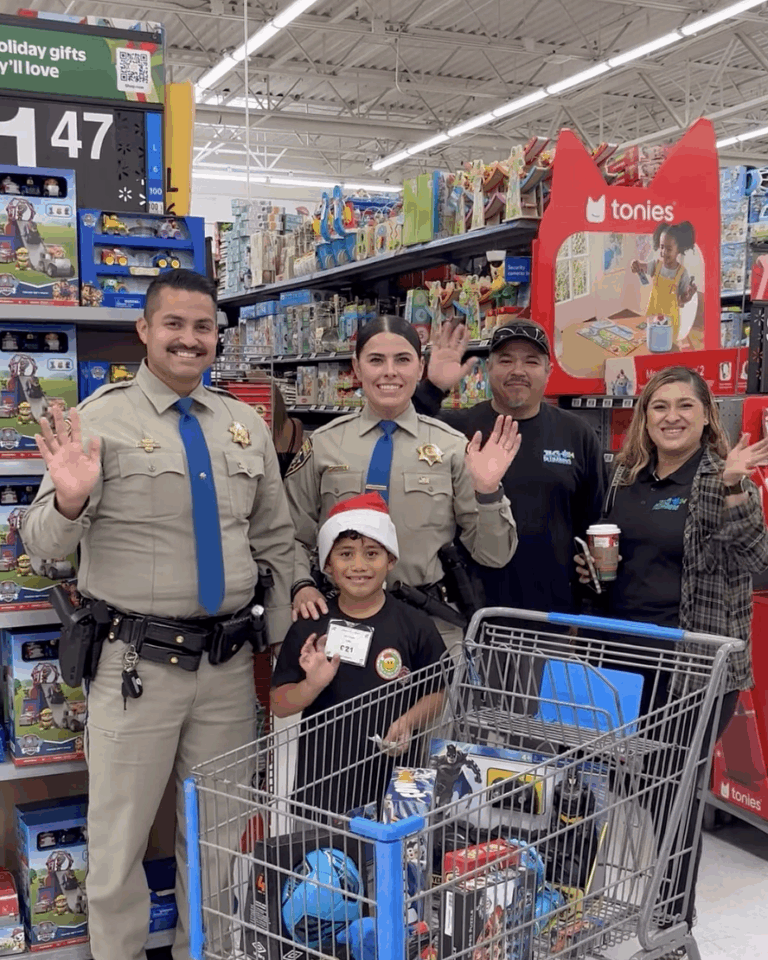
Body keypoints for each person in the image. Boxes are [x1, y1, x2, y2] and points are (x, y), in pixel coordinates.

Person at [21, 270, 295, 960]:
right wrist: (71, 500)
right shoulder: (97, 420)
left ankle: (207, 951)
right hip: (134, 669)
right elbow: (41, 547)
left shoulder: (244, 425)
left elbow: (274, 540)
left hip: (228, 668)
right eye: (174, 323)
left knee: (221, 838)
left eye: (204, 327)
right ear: (144, 329)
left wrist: (283, 646)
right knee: (117, 842)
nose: (189, 339)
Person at [576, 365, 768, 948]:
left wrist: (734, 487)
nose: (672, 417)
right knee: (645, 784)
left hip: (697, 665)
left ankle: (672, 917)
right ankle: (657, 901)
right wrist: (592, 573)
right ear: (644, 417)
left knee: (675, 787)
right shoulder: (625, 478)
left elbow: (757, 556)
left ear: (707, 415)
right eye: (659, 406)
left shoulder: (720, 477)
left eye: (686, 405)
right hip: (629, 657)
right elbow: (620, 561)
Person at [284, 316, 521, 655]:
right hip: (342, 625)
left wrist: (488, 491)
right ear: (356, 368)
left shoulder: (453, 448)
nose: (390, 372)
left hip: (430, 625)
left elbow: (493, 555)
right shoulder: (323, 445)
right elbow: (292, 533)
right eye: (376, 360)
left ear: (420, 367)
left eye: (403, 360)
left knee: (435, 694)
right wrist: (301, 585)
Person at [415, 319, 605, 617]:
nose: (518, 370)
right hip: (464, 615)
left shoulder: (578, 434)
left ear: (548, 370)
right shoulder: (454, 429)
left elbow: (593, 525)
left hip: (552, 615)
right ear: (488, 367)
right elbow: (390, 434)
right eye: (506, 360)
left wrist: (585, 609)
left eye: (531, 361)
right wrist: (431, 389)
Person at [271, 493, 446, 815]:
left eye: (372, 553)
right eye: (345, 554)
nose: (359, 566)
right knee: (323, 847)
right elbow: (280, 705)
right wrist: (312, 684)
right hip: (323, 787)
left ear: (391, 560)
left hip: (397, 785)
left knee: (396, 847)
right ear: (328, 564)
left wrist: (408, 722)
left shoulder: (415, 624)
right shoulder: (310, 625)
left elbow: (438, 693)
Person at [631, 221, 697, 346]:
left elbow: (681, 301)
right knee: (650, 345)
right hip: (652, 316)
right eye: (662, 247)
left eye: (668, 249)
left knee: (666, 346)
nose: (664, 252)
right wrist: (636, 264)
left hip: (670, 322)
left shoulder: (682, 273)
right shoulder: (656, 265)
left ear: (679, 250)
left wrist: (688, 296)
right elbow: (642, 267)